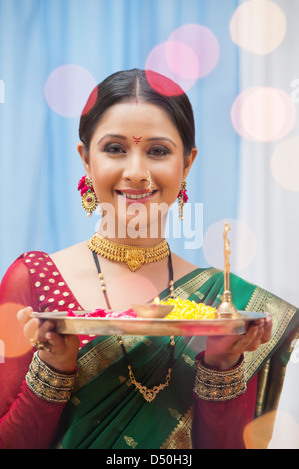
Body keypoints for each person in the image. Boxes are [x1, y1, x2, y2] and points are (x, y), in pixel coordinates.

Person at [0, 69, 297, 449]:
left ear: (186, 163)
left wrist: (221, 364)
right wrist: (55, 367)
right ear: (86, 160)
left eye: (157, 151)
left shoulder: (220, 304)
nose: (137, 172)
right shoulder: (35, 279)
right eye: (115, 149)